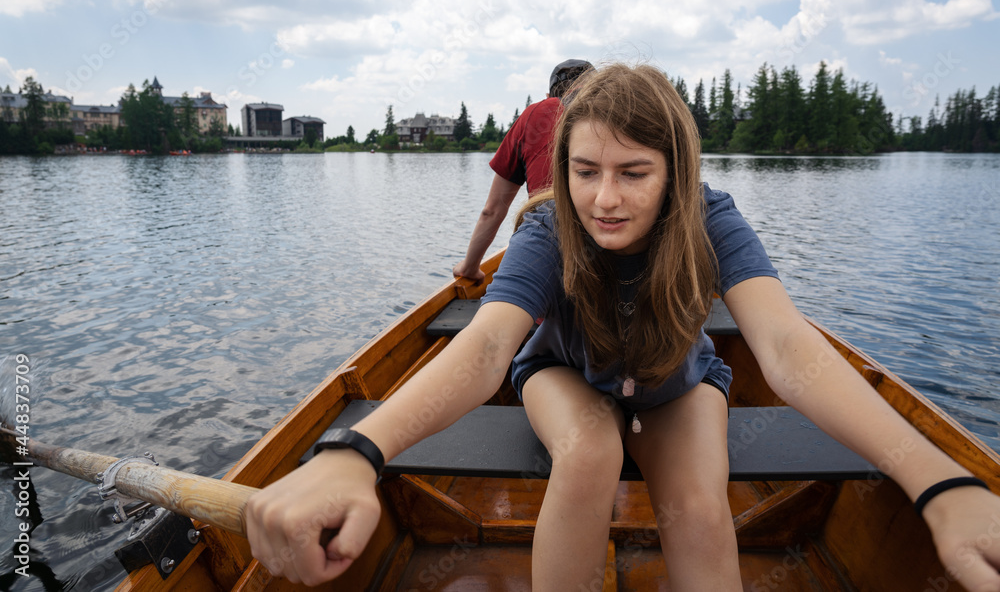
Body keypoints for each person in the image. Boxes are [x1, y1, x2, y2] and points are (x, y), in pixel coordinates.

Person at [246, 64, 1000, 591]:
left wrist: (938, 479)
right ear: (564, 166)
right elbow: (483, 347)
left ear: (675, 169)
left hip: (680, 381)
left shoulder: (712, 218)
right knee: (588, 453)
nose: (603, 198)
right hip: (565, 376)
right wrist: (357, 450)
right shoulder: (546, 227)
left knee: (702, 505)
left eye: (633, 172)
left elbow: (789, 346)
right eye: (584, 170)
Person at [452, 58, 594, 283]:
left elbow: (493, 209)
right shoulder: (611, 113)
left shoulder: (535, 114)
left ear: (549, 97)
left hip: (544, 244)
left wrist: (469, 267)